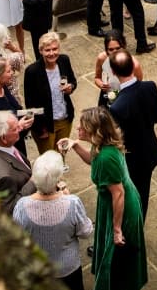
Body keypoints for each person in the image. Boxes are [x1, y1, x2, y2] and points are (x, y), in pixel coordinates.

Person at [65, 107, 148, 290]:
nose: (78, 128)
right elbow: (92, 160)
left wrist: (117, 229)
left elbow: (118, 194)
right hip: (112, 202)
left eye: (82, 126)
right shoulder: (101, 145)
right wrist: (75, 145)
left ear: (94, 131)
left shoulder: (106, 157)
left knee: (118, 260)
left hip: (121, 208)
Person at [12, 150, 93, 290]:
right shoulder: (73, 203)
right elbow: (86, 232)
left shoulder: (21, 206)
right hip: (68, 269)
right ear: (58, 179)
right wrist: (66, 197)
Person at [108, 50, 157, 218]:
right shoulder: (150, 86)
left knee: (133, 200)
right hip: (150, 152)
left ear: (113, 72)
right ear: (133, 66)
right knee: (143, 195)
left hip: (132, 161)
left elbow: (118, 140)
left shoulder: (117, 107)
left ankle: (134, 228)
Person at [23, 32, 78, 154]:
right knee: (48, 158)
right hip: (46, 124)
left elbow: (73, 81)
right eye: (47, 50)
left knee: (62, 153)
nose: (52, 53)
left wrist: (71, 87)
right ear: (40, 51)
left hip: (65, 119)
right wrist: (39, 129)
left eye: (55, 49)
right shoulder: (32, 71)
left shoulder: (64, 60)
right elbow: (30, 104)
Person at [0, 110, 36, 214]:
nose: (19, 129)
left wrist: (18, 126)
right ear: (3, 138)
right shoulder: (4, 177)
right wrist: (33, 182)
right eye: (15, 129)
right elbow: (10, 210)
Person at [93, 32, 144, 106]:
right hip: (107, 96)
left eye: (118, 48)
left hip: (126, 98)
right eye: (111, 49)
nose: (115, 52)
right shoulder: (102, 58)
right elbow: (97, 78)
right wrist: (101, 85)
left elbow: (137, 86)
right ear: (106, 50)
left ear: (124, 46)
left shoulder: (134, 64)